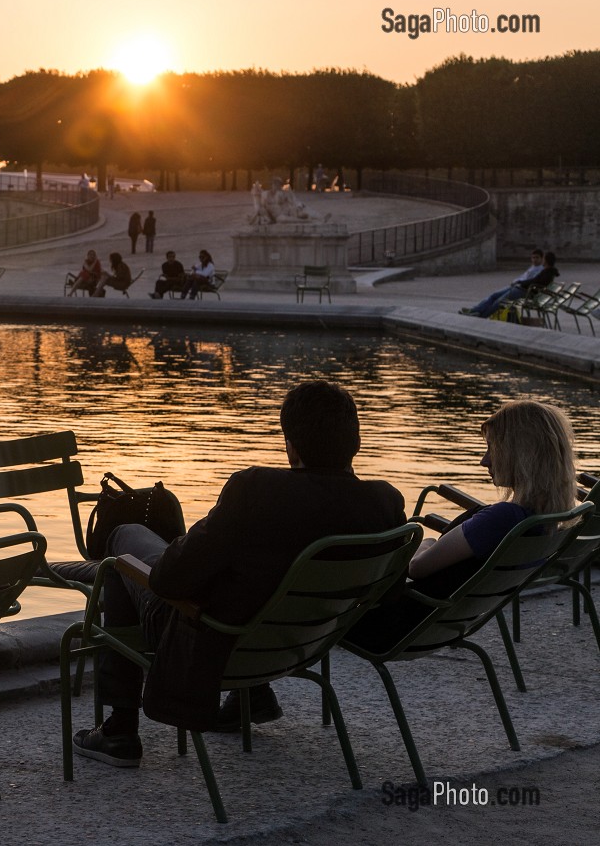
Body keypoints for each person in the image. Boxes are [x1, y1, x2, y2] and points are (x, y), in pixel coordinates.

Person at [73, 382, 405, 766]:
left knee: (123, 544)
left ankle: (120, 729)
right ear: (355, 442)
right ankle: (252, 697)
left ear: (291, 445)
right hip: (297, 645)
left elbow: (167, 582)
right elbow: (388, 593)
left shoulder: (256, 490)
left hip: (216, 643)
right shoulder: (385, 503)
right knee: (245, 571)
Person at [345, 400, 577, 653]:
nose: (484, 461)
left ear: (521, 455)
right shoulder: (546, 522)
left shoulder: (502, 519)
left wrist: (427, 543)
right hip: (442, 627)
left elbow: (417, 567)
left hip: (394, 629)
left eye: (492, 449)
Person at [460, 250, 557, 318]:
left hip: (524, 292)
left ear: (546, 260)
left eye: (543, 258)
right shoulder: (547, 271)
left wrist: (520, 283)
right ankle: (476, 311)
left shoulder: (546, 272)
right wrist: (519, 282)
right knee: (495, 296)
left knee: (499, 302)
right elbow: (533, 281)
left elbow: (534, 282)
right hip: (522, 289)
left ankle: (481, 315)